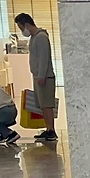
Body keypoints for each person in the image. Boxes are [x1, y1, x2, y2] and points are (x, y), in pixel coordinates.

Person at [14, 13, 58, 142]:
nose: (22, 31)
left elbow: (44, 58)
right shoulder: (34, 38)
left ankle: (51, 130)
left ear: (27, 25)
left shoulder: (41, 37)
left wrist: (42, 75)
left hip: (45, 76)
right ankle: (48, 129)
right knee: (42, 104)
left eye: (21, 28)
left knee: (47, 104)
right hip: (38, 75)